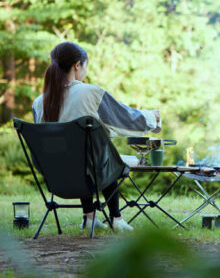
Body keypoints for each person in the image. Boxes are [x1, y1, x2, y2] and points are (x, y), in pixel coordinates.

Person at [32, 41, 161, 232]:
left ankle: (89, 217)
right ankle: (116, 219)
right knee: (100, 152)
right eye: (85, 66)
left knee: (86, 150)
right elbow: (125, 118)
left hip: (56, 176)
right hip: (90, 174)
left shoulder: (39, 103)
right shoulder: (90, 93)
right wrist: (152, 116)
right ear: (77, 65)